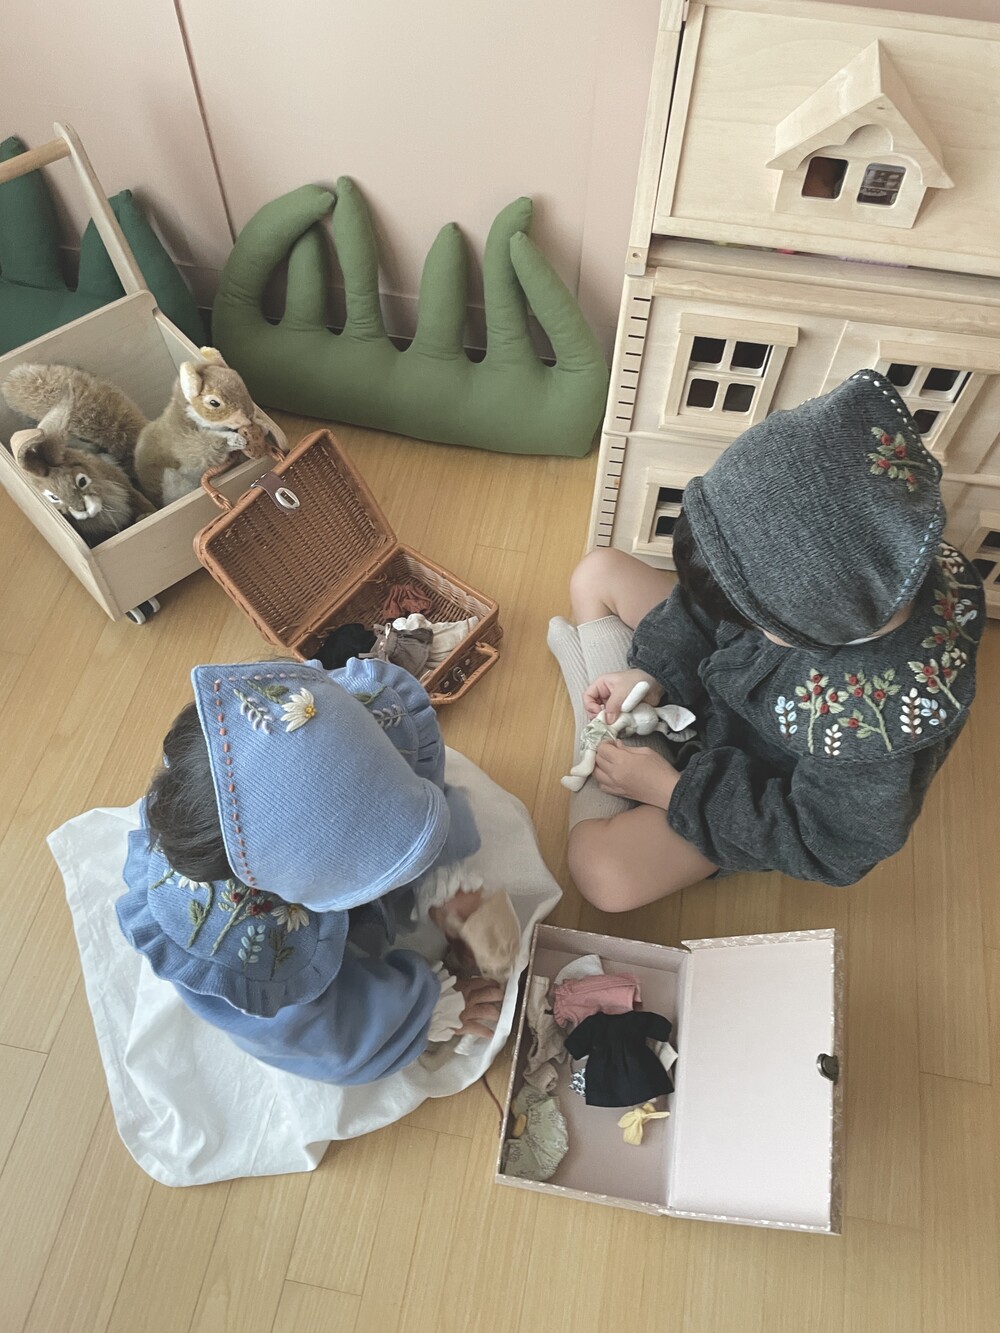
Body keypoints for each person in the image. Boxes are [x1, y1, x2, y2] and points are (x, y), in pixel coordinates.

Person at [548, 369, 984, 909]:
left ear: (793, 622)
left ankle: (607, 733)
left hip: (752, 781)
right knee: (598, 572)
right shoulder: (859, 560)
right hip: (731, 683)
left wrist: (668, 789)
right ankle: (619, 724)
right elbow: (704, 610)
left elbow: (826, 844)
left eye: (753, 620)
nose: (738, 621)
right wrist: (653, 671)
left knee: (601, 875)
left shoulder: (871, 731)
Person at [116, 654, 503, 1085]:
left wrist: (438, 878)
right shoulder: (233, 936)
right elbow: (320, 1033)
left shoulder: (315, 722)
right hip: (249, 915)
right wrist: (428, 1008)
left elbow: (387, 791)